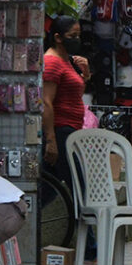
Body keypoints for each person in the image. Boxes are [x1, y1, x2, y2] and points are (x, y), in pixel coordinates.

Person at [42, 16, 87, 191]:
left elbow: (73, 96)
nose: (77, 39)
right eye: (72, 35)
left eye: (78, 35)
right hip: (61, 131)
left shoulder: (66, 60)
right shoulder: (52, 62)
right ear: (58, 37)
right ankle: (83, 219)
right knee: (79, 187)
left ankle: (29, 216)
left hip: (69, 131)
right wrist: (51, 140)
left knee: (50, 189)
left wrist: (86, 75)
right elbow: (46, 102)